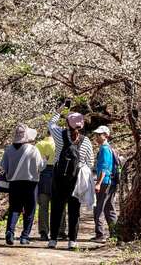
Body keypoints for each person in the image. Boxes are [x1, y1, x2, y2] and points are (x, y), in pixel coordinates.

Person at [47, 102, 94, 250]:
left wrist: (59, 110)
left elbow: (51, 123)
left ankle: (53, 240)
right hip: (76, 179)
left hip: (59, 177)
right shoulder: (86, 141)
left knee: (56, 208)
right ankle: (72, 241)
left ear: (67, 123)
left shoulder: (59, 135)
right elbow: (90, 161)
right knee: (74, 209)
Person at [1, 124, 47, 245]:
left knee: (14, 209)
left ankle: (9, 233)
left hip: (14, 184)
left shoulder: (8, 149)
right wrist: (45, 160)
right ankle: (24, 237)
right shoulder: (33, 149)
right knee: (30, 210)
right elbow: (41, 167)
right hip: (31, 184)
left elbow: (3, 167)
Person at [35, 131, 67, 241]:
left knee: (43, 206)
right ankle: (60, 230)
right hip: (57, 175)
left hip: (42, 175)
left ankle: (43, 231)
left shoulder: (39, 144)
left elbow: (36, 164)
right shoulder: (60, 144)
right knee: (59, 205)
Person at [91, 125, 117, 242]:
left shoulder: (105, 149)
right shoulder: (107, 148)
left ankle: (100, 235)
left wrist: (98, 183)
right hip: (110, 182)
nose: (97, 137)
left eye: (99, 135)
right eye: (96, 134)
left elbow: (105, 168)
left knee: (98, 208)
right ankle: (114, 234)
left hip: (105, 182)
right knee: (109, 208)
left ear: (106, 136)